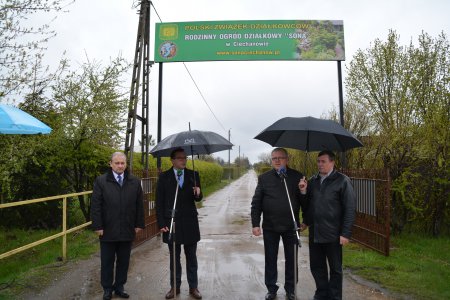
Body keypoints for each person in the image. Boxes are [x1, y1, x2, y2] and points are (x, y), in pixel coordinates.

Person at [251, 147, 308, 300]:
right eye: (274, 158)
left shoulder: (297, 177)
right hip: (270, 226)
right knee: (270, 258)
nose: (276, 161)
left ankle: (291, 288)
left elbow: (305, 203)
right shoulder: (264, 178)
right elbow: (256, 203)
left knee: (292, 258)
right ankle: (271, 288)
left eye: (280, 158)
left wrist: (303, 192)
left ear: (286, 159)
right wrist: (255, 223)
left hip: (291, 226)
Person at [299, 150, 355, 300]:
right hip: (315, 233)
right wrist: (303, 191)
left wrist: (346, 233)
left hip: (334, 234)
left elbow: (349, 208)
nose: (320, 164)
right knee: (317, 267)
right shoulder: (313, 180)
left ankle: (335, 296)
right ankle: (322, 293)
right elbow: (309, 207)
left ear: (332, 162)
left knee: (335, 270)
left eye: (323, 161)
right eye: (318, 161)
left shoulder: (343, 181)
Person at [91, 152, 145, 300]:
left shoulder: (134, 181)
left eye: (123, 163)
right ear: (111, 163)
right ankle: (107, 288)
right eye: (117, 163)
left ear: (126, 164)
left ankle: (119, 287)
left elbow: (139, 205)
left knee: (124, 261)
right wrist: (98, 226)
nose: (120, 166)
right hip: (107, 229)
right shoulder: (101, 181)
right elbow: (96, 205)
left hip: (127, 228)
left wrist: (139, 223)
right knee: (107, 261)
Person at [156, 148, 203, 299]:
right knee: (174, 258)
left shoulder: (193, 175)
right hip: (172, 223)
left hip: (190, 222)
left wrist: (198, 193)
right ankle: (174, 287)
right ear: (173, 160)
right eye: (180, 158)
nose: (183, 160)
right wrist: (161, 223)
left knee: (191, 257)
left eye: (185, 158)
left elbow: (198, 199)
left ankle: (193, 287)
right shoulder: (164, 177)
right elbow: (159, 202)